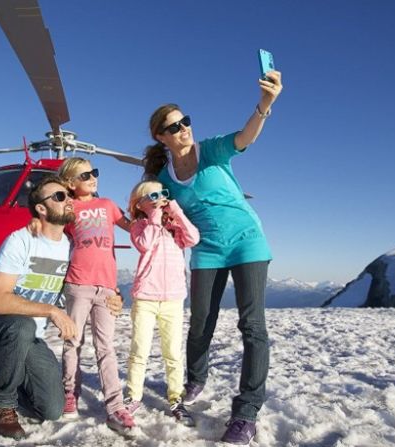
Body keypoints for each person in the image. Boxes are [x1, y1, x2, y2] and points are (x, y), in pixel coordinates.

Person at [141, 69, 283, 445]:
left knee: (252, 325)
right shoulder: (165, 179)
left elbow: (245, 136)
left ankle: (246, 412)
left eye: (186, 121)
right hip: (207, 249)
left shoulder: (212, 149)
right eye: (174, 126)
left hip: (248, 241)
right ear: (161, 136)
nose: (184, 129)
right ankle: (196, 378)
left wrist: (264, 105)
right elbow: (151, 207)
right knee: (201, 319)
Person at [0, 175, 122, 440]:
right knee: (21, 324)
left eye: (69, 196)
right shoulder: (20, 241)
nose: (69, 201)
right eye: (60, 197)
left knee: (51, 408)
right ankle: (1, 407)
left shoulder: (72, 248)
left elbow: (87, 283)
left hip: (29, 338)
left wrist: (114, 295)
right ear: (41, 208)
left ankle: (14, 378)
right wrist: (51, 311)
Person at [52, 157, 134, 435]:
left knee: (106, 347)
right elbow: (48, 231)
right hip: (77, 284)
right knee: (72, 341)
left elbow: (134, 228)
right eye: (85, 175)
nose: (92, 178)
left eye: (94, 173)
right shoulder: (68, 207)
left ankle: (115, 407)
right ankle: (69, 395)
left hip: (107, 289)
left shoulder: (108, 205)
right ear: (71, 183)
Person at [124, 180, 199, 426]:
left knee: (173, 353)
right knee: (140, 351)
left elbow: (193, 238)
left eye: (163, 194)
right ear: (140, 203)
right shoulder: (139, 225)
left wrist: (175, 210)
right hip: (146, 298)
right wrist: (154, 216)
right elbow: (145, 244)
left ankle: (176, 399)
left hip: (173, 299)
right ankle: (133, 396)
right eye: (153, 196)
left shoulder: (173, 227)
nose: (160, 198)